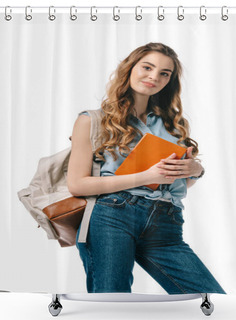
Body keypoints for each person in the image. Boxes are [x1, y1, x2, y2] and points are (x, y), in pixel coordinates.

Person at [67, 42, 226, 294]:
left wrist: (194, 170)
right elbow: (76, 184)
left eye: (164, 73)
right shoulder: (91, 120)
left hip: (166, 219)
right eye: (147, 67)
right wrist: (146, 175)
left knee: (210, 299)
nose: (154, 77)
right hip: (112, 215)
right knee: (113, 303)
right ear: (129, 68)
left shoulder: (174, 124)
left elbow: (178, 182)